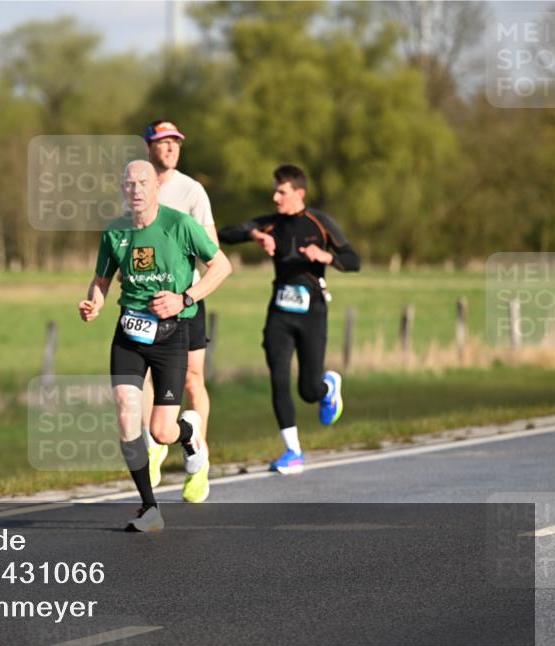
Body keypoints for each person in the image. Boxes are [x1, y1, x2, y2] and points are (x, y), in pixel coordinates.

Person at [79, 160, 232, 532]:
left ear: (156, 188)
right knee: (126, 414)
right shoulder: (115, 232)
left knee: (162, 431)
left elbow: (222, 266)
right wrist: (94, 303)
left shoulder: (179, 225)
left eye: (143, 182)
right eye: (129, 183)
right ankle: (149, 507)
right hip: (129, 333)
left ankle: (189, 435)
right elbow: (101, 280)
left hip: (171, 335)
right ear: (122, 188)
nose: (136, 189)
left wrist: (185, 298)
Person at [218, 164, 360, 474]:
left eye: (281, 192)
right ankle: (293, 451)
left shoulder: (320, 223)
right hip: (280, 312)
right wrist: (255, 235)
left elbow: (353, 260)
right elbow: (225, 234)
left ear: (299, 193)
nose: (275, 197)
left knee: (308, 390)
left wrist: (326, 257)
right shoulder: (271, 224)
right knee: (278, 378)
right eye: (274, 191)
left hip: (313, 313)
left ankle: (327, 388)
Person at [141, 120, 221, 503]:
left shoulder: (192, 191)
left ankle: (198, 456)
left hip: (185, 301)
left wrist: (186, 290)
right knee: (143, 377)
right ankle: (153, 446)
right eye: (163, 141)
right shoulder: (136, 189)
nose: (171, 147)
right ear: (148, 147)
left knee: (191, 379)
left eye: (175, 141)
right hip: (144, 302)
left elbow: (212, 252)